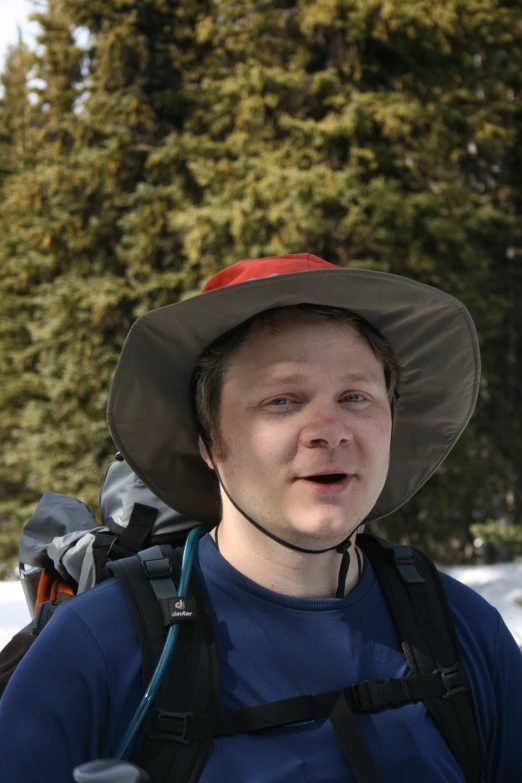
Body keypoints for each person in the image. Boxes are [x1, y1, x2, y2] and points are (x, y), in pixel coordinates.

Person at [1, 253, 521, 782]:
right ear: (208, 440)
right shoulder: (98, 646)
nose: (330, 429)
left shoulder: (462, 631)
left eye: (356, 396)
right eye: (281, 400)